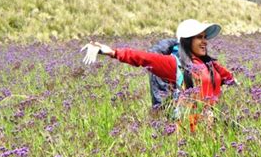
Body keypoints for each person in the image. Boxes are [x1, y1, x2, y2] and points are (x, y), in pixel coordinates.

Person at [81, 19, 236, 132]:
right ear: (187, 41)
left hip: (212, 129)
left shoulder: (209, 63)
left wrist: (233, 81)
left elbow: (223, 75)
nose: (205, 42)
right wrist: (113, 52)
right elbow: (144, 58)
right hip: (190, 132)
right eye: (199, 37)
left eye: (205, 37)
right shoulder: (175, 64)